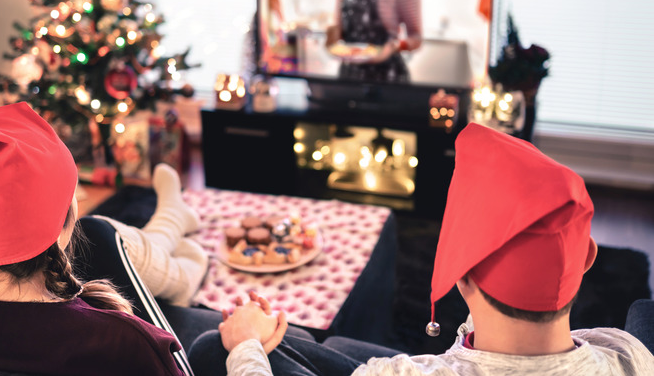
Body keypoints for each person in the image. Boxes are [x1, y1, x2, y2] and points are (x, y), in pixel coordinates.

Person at [188, 122, 654, 375]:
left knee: (216, 347)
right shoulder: (630, 355)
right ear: (587, 260)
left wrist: (247, 345)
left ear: (462, 273)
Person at [0, 102, 207, 375]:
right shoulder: (129, 341)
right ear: (61, 228)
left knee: (102, 234)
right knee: (100, 232)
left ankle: (172, 220)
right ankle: (179, 250)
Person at [325, 0, 422, 84]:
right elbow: (338, 29)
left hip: (388, 76)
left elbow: (416, 38)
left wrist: (393, 47)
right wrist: (331, 38)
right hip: (350, 75)